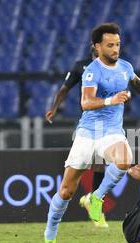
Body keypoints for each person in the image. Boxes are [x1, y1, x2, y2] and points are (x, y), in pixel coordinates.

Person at [44, 23, 140, 243]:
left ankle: (96, 197)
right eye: (110, 45)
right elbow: (85, 103)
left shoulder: (125, 67)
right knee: (66, 191)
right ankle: (50, 237)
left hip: (111, 131)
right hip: (88, 133)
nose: (115, 49)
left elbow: (135, 81)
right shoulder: (92, 71)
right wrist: (112, 100)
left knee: (124, 160)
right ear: (97, 47)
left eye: (117, 44)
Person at [44, 48, 109, 228]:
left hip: (105, 123)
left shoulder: (113, 67)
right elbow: (65, 89)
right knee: (81, 169)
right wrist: (54, 107)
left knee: (100, 163)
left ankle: (95, 204)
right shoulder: (81, 67)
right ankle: (75, 205)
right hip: (88, 124)